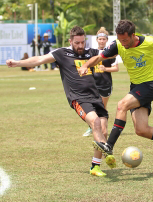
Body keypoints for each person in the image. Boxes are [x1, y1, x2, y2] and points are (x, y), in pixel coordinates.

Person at [6, 26, 116, 177]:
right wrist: (18, 63)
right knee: (95, 123)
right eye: (77, 43)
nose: (80, 46)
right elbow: (39, 59)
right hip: (78, 98)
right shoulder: (62, 53)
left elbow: (109, 54)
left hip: (95, 97)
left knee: (103, 130)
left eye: (82, 42)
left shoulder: (91, 52)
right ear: (71, 41)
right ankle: (107, 154)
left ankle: (95, 167)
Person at [78, 20, 153, 168]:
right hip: (136, 86)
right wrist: (85, 65)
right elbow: (99, 57)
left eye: (125, 40)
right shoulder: (118, 44)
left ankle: (109, 146)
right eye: (120, 40)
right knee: (141, 130)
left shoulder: (148, 42)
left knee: (122, 105)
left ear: (133, 35)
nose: (122, 43)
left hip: (150, 85)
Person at [83, 27, 119, 137]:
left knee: (102, 107)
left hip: (105, 84)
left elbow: (116, 68)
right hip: (94, 84)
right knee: (92, 108)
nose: (102, 41)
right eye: (100, 39)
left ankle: (102, 129)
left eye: (104, 39)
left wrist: (105, 69)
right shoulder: (92, 53)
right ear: (97, 40)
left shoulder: (110, 53)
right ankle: (92, 127)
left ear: (106, 40)